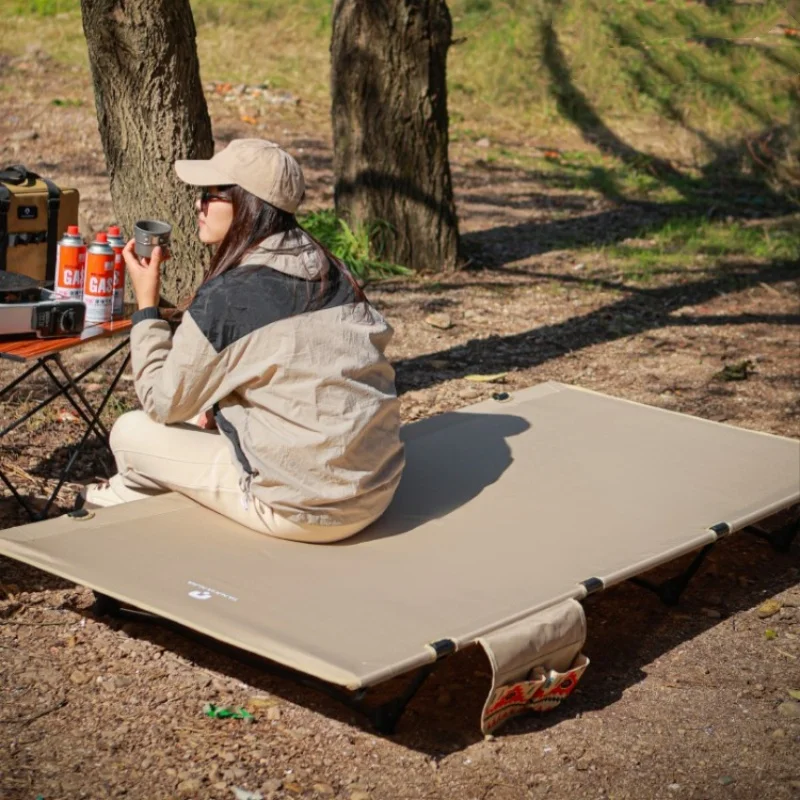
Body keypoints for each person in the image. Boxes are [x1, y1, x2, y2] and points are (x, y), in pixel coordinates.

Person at [81, 139, 405, 543]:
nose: (197, 205)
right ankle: (119, 500)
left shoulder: (232, 297)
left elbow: (161, 402)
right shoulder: (331, 271)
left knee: (130, 433)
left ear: (248, 205)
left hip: (304, 508)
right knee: (190, 432)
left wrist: (147, 305)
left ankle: (109, 513)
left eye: (210, 195)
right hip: (375, 488)